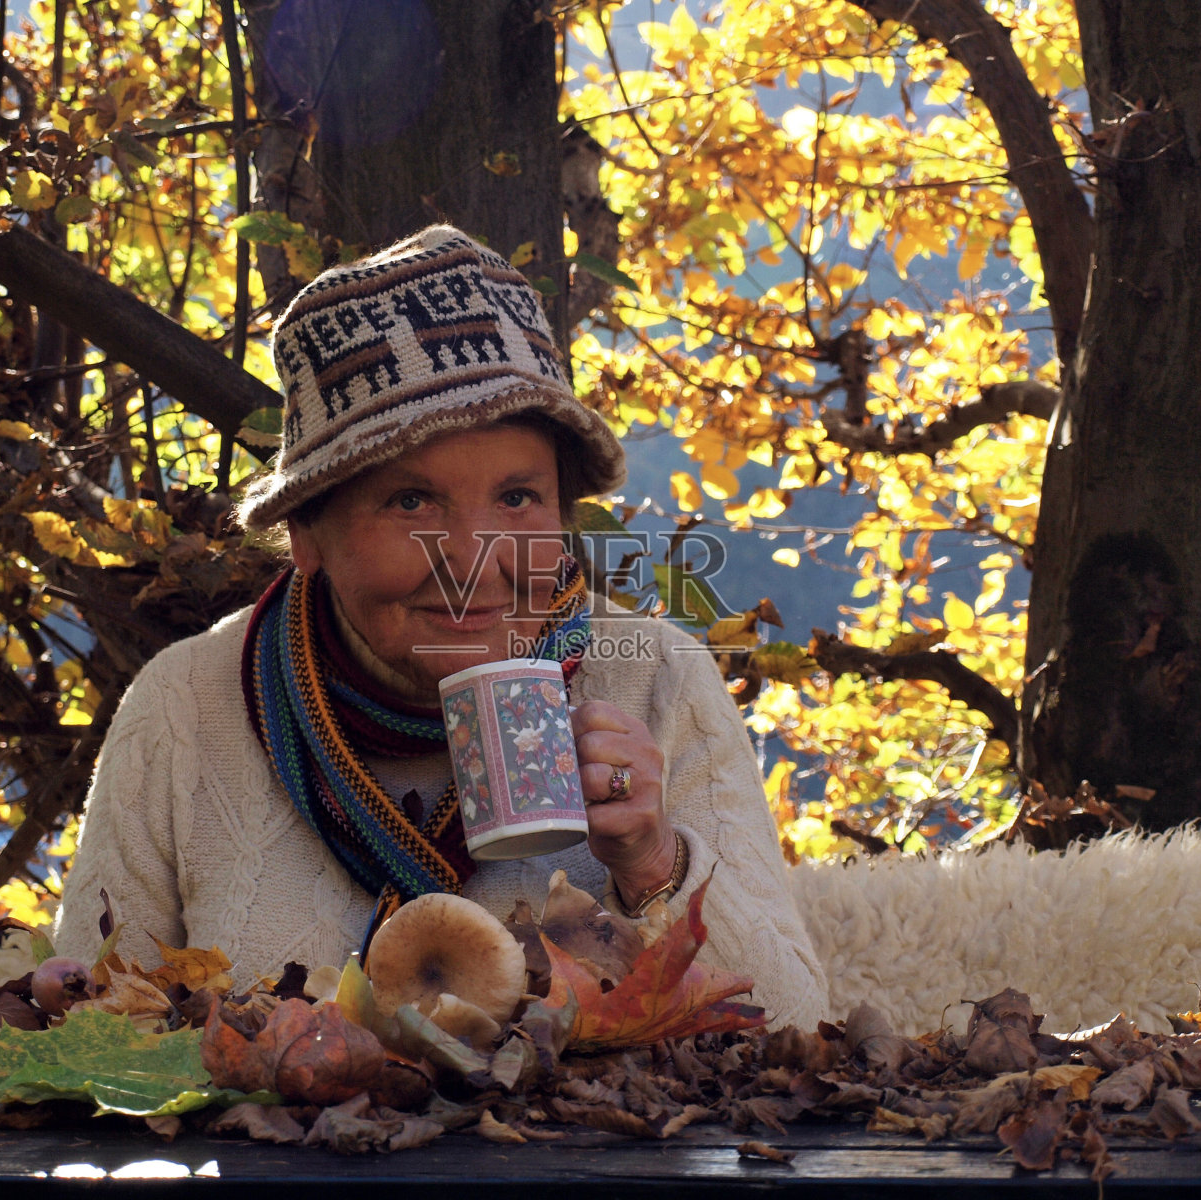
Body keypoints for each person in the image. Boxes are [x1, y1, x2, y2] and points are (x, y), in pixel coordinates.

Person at [54, 225, 827, 1028]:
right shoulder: (187, 705)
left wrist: (654, 863)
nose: (471, 563)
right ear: (308, 534)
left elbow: (799, 1026)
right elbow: (91, 1035)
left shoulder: (656, 678)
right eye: (411, 502)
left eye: (518, 498)